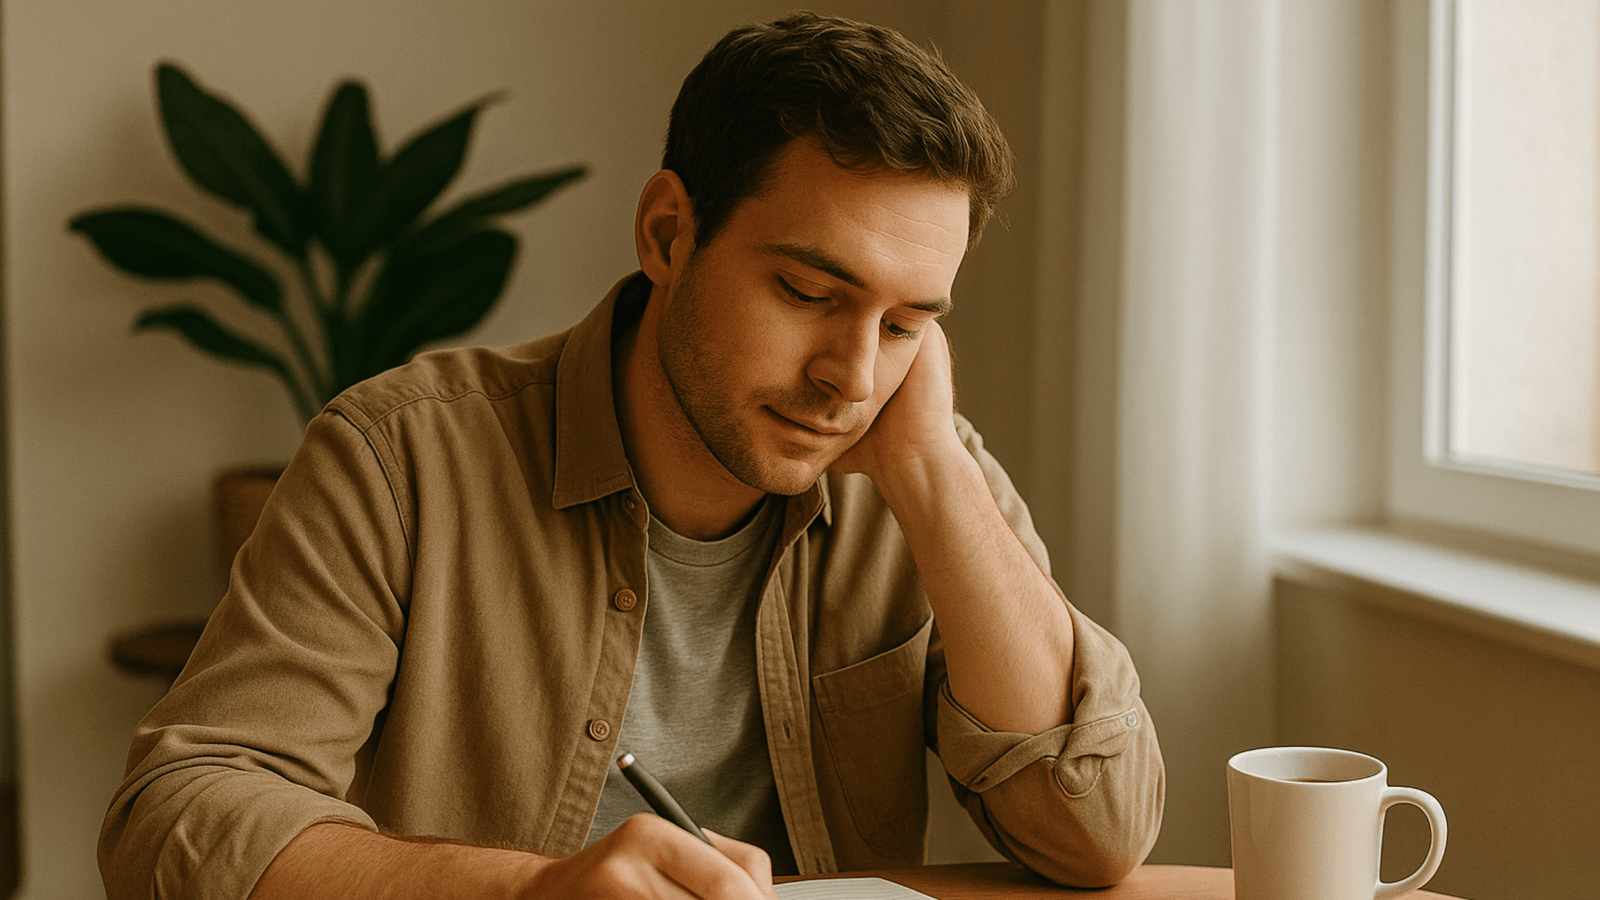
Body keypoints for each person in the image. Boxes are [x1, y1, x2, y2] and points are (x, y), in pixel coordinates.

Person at [99, 13, 1164, 900]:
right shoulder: (400, 458)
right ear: (667, 234)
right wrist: (528, 891)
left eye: (903, 324)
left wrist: (931, 469)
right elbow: (180, 816)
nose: (850, 377)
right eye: (806, 292)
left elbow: (1098, 832)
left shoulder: (912, 457)